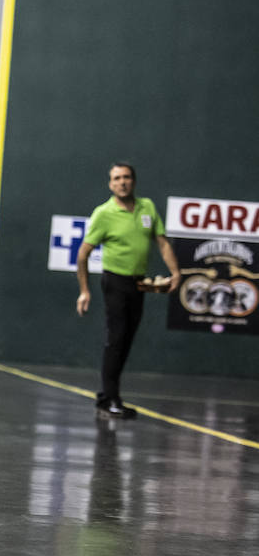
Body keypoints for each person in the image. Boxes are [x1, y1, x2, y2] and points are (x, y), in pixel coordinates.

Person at [74, 162, 180, 419]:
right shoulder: (104, 213)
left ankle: (107, 397)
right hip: (114, 283)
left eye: (126, 177)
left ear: (133, 181)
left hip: (139, 283)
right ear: (110, 184)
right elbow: (83, 255)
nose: (122, 182)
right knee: (116, 339)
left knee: (127, 340)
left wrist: (176, 272)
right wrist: (84, 291)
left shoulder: (148, 207)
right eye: (116, 178)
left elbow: (162, 243)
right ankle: (110, 398)